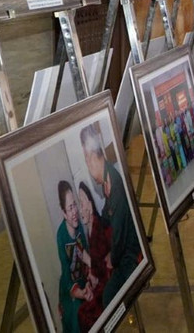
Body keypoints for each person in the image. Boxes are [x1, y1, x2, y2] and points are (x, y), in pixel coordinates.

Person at [81, 124, 141, 306]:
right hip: (121, 251)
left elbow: (119, 237)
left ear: (92, 158)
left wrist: (111, 259)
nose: (87, 166)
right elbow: (106, 219)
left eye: (86, 160)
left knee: (107, 297)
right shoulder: (107, 182)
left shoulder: (114, 186)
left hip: (130, 255)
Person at [76, 182, 112, 331]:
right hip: (100, 284)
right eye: (78, 204)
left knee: (83, 314)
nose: (80, 209)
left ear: (90, 206)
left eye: (82, 203)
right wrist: (90, 281)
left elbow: (105, 267)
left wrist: (88, 260)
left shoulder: (98, 228)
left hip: (108, 284)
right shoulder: (89, 232)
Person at [56, 180, 90, 333]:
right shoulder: (61, 236)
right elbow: (66, 272)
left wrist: (89, 281)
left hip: (84, 281)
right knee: (77, 313)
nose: (75, 211)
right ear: (64, 213)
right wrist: (79, 293)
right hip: (70, 289)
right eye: (70, 208)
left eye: (75, 205)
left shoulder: (80, 227)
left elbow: (87, 256)